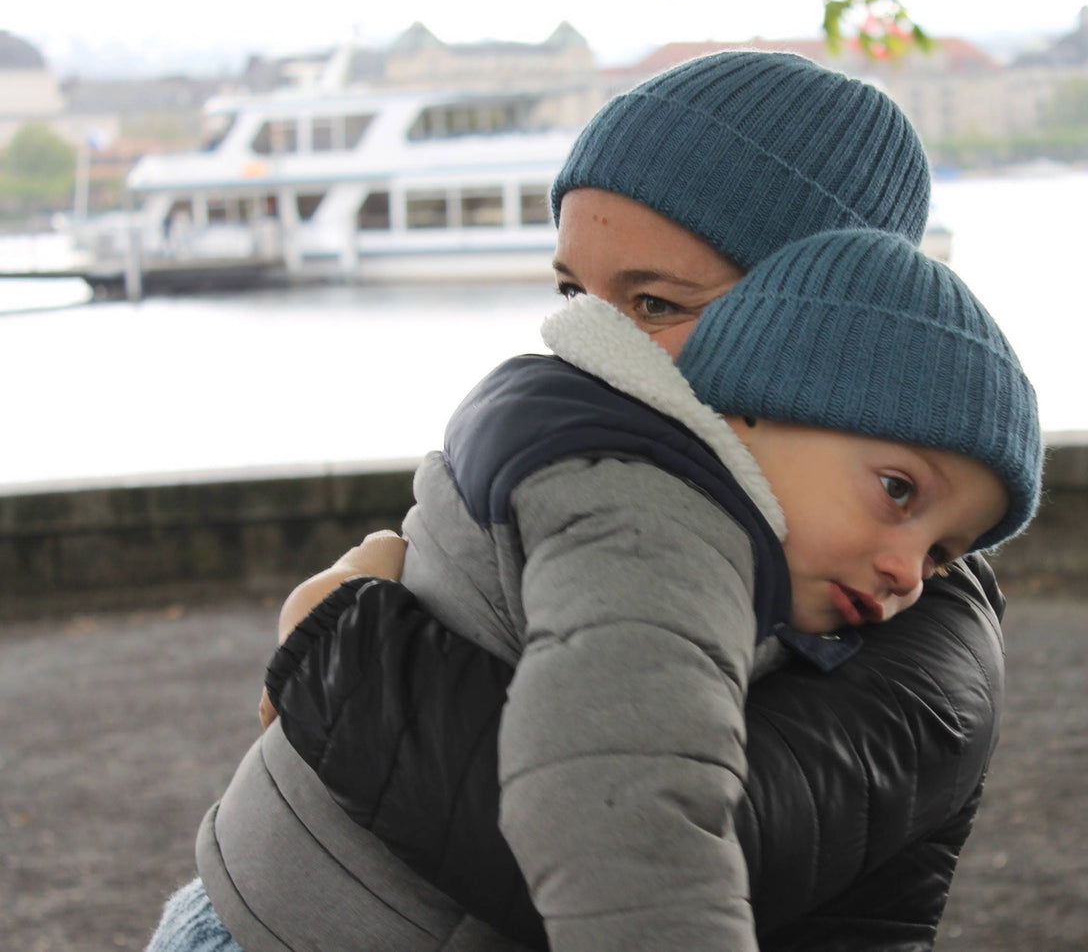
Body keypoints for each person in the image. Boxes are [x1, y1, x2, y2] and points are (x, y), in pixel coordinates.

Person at [153, 50, 1017, 951]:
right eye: (572, 290)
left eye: (650, 303)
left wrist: (339, 643)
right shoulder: (623, 476)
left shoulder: (919, 636)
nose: (582, 345)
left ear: (818, 333)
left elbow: (644, 843)